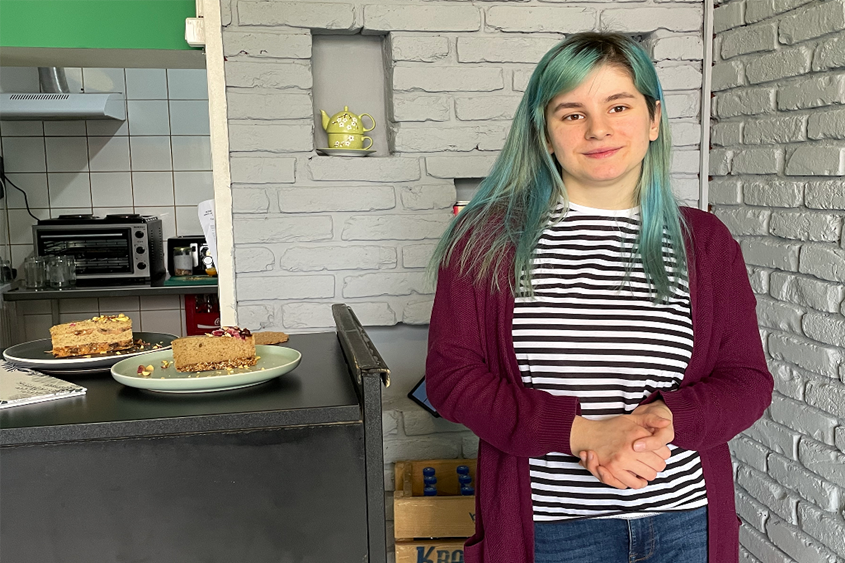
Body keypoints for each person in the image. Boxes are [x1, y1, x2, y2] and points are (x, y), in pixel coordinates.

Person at [425, 32, 773, 563]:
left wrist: (667, 420)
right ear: (543, 132)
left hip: (685, 524)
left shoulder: (705, 242)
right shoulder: (486, 239)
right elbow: (453, 379)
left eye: (619, 105)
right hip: (552, 532)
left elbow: (746, 380)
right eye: (572, 114)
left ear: (653, 119)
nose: (598, 129)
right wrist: (580, 434)